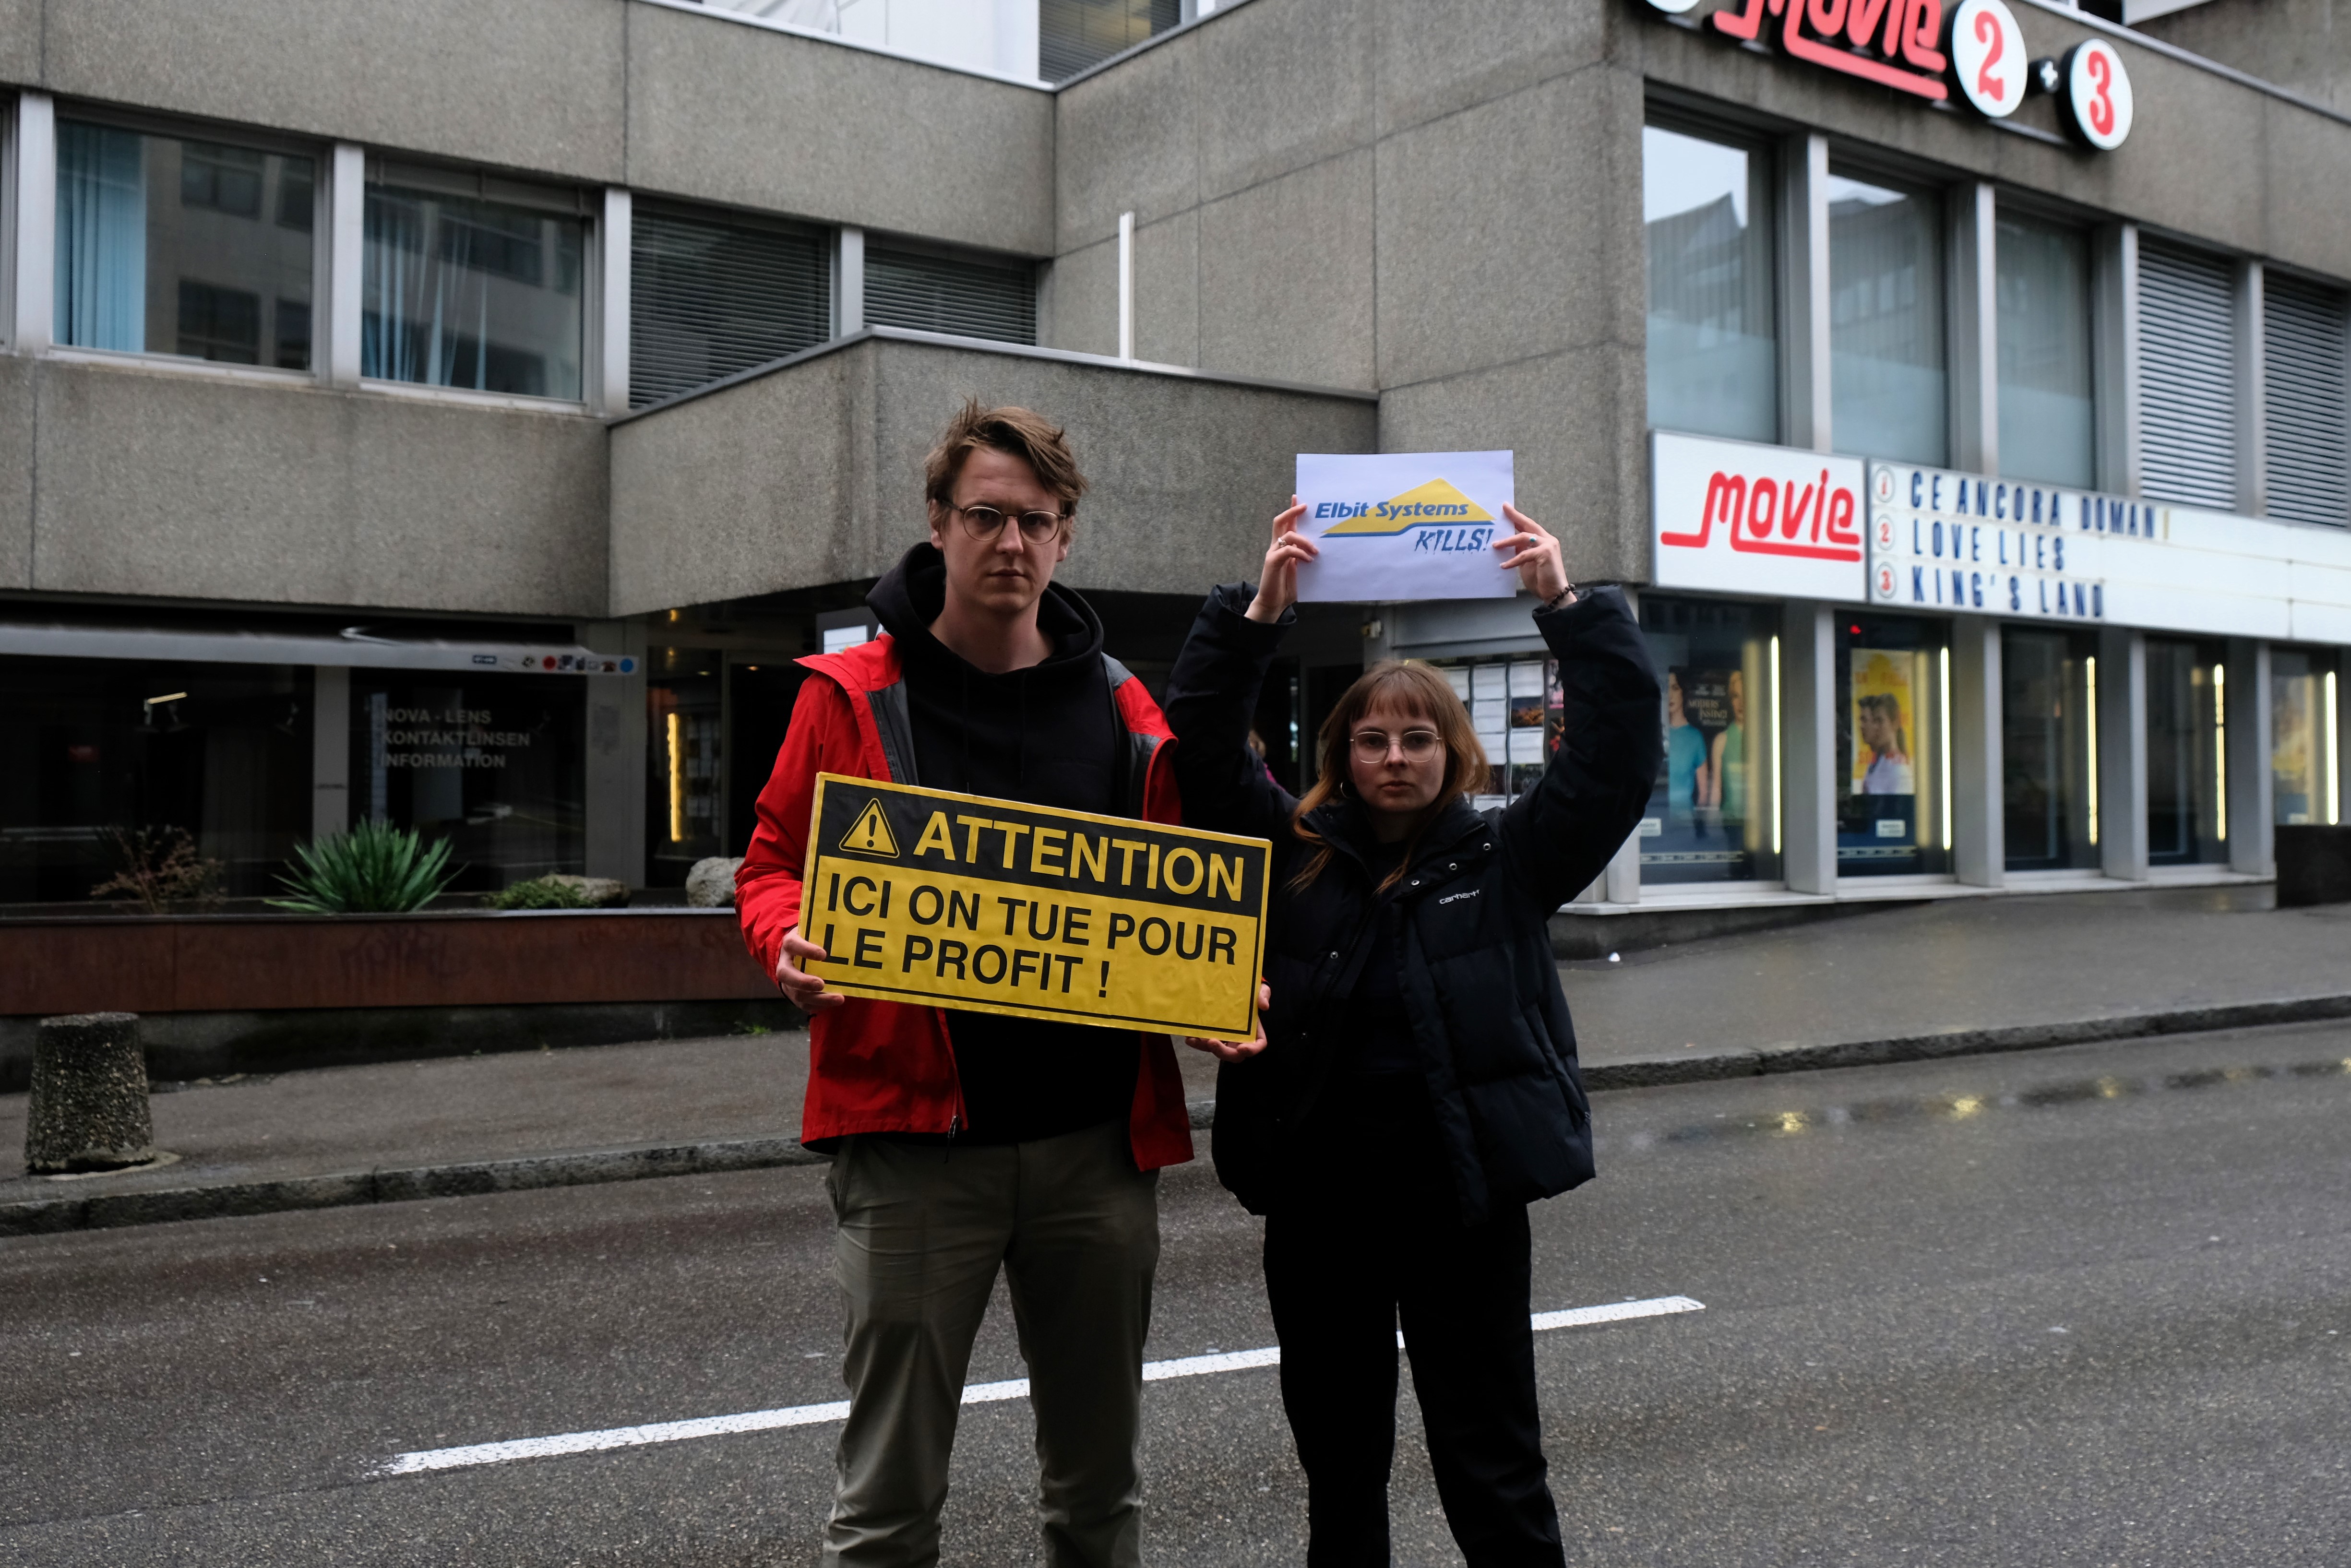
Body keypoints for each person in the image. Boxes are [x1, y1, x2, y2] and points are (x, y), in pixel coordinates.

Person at [735, 401, 1194, 1568]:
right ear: (937, 522)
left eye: (1035, 520)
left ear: (1065, 536)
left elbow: (1180, 903)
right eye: (985, 514)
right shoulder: (848, 692)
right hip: (910, 1145)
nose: (1011, 541)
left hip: (1094, 1149)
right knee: (887, 1507)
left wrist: (1215, 985)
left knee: (1099, 1493)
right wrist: (785, 937)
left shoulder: (1124, 705)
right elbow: (772, 861)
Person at [1163, 498, 1663, 1567]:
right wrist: (1257, 614)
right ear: (1342, 753)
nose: (1394, 757)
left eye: (1417, 738)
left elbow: (1615, 760)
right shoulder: (1290, 853)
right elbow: (1198, 746)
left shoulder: (1508, 860)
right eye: (1372, 739)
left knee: (1493, 1464)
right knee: (1339, 1465)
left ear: (1454, 750)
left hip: (1460, 1206)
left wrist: (1566, 606)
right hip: (1320, 1209)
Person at [1709, 667, 1748, 827]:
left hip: (1760, 824)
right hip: (1730, 823)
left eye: (1746, 696)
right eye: (1736, 696)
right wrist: (1711, 825)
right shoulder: (1722, 740)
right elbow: (1716, 788)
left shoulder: (1765, 739)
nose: (1741, 703)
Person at [1858, 692, 1914, 795]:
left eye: (1880, 721)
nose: (1876, 727)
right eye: (1875, 721)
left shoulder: (1900, 771)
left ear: (1895, 723)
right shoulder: (1878, 762)